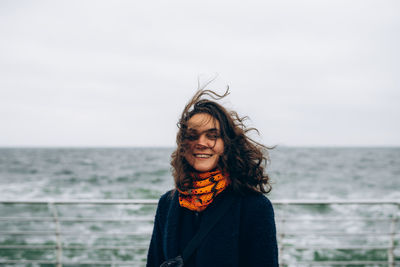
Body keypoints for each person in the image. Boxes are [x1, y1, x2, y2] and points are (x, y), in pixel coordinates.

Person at [147, 87, 278, 267]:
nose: (201, 143)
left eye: (212, 135)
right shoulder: (167, 204)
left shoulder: (254, 206)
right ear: (183, 146)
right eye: (192, 136)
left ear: (227, 144)